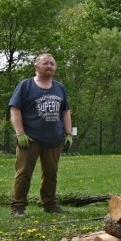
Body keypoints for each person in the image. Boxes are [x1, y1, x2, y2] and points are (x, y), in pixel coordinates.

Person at [9, 53, 73, 217]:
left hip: (53, 139)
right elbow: (15, 109)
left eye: (52, 64)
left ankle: (50, 204)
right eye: (46, 63)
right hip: (30, 139)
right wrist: (20, 133)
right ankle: (18, 207)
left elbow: (65, 112)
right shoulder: (26, 85)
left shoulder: (59, 87)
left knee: (51, 174)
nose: (49, 66)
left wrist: (68, 133)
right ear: (37, 66)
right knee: (23, 174)